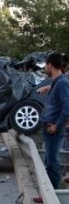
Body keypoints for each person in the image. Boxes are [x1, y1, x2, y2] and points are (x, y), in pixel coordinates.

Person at [37, 52, 69, 190]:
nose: (45, 68)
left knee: (52, 162)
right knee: (49, 160)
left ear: (50, 66)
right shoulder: (57, 81)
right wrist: (47, 87)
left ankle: (52, 196)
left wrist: (57, 124)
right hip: (49, 127)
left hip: (53, 128)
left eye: (45, 65)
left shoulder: (62, 82)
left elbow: (67, 107)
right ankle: (48, 193)